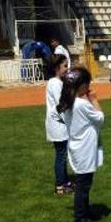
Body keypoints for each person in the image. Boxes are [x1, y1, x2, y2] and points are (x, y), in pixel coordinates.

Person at [57, 67, 103, 222]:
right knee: (83, 185)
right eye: (87, 83)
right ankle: (80, 219)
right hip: (84, 149)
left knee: (84, 183)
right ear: (82, 85)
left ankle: (85, 211)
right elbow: (100, 118)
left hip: (78, 146)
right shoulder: (82, 104)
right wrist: (94, 99)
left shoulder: (68, 103)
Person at [45, 53, 72, 195]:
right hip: (58, 124)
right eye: (65, 66)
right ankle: (60, 185)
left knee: (63, 154)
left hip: (60, 124)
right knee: (61, 155)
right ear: (57, 67)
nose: (67, 69)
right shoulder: (55, 83)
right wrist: (70, 121)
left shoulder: (58, 82)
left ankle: (65, 181)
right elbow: (60, 105)